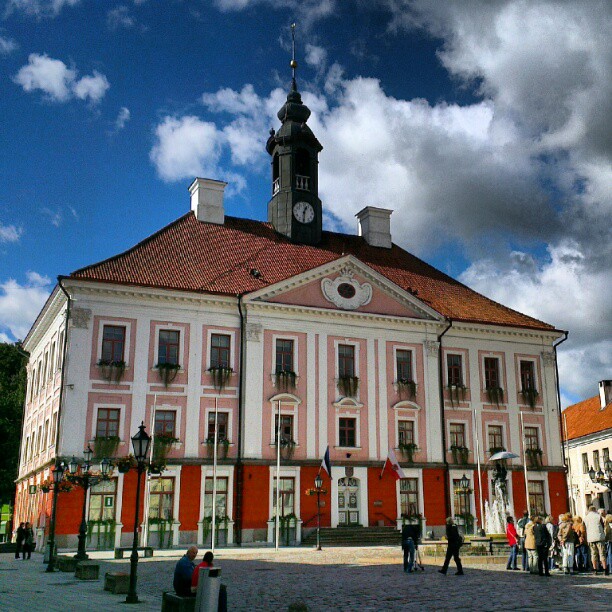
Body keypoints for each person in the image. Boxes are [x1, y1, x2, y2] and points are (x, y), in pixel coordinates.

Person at [584, 505, 607, 574]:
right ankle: (605, 569)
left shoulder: (586, 518)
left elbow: (585, 527)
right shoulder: (598, 516)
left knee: (593, 554)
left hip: (590, 537)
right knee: (602, 553)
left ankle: (595, 569)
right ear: (595, 510)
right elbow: (603, 525)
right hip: (599, 536)